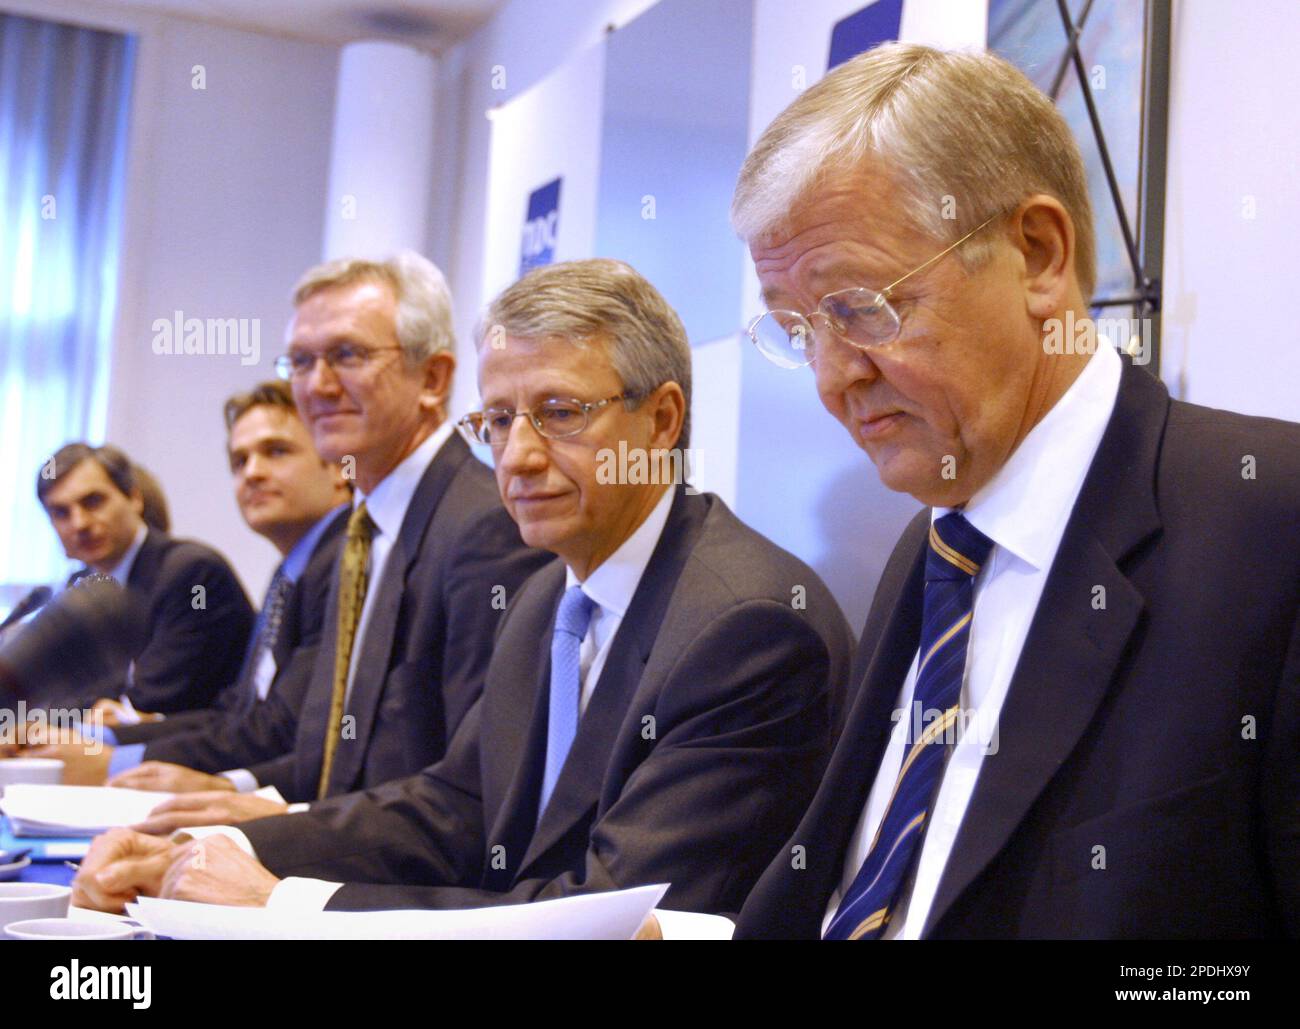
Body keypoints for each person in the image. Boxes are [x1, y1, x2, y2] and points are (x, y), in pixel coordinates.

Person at [655, 42, 1299, 940]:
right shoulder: (930, 550)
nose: (833, 379)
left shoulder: (1271, 527)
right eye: (801, 329)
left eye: (861, 307)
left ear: (1037, 255)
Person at [72, 259, 853, 925]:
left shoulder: (747, 628)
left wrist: (288, 906)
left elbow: (610, 915)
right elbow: (451, 806)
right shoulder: (550, 597)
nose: (516, 456)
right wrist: (217, 848)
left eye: (558, 413)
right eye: (499, 419)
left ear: (662, 419)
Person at [74, 252, 548, 828]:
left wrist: (269, 830)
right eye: (300, 361)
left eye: (348, 355)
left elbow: (467, 798)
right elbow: (338, 763)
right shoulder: (365, 533)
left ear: (433, 378)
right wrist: (231, 794)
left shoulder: (482, 528)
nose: (317, 385)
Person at [29, 380, 351, 783]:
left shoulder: (194, 574)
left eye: (276, 451)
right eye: (239, 461)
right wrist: (91, 734)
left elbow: (271, 728)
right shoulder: (290, 571)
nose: (252, 473)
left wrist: (111, 755)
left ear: (339, 467)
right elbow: (234, 714)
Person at [35, 443, 254, 714]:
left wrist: (47, 721)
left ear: (134, 498)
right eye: (60, 513)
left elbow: (153, 698)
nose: (79, 523)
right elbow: (56, 691)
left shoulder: (194, 576)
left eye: (93, 501)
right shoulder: (78, 588)